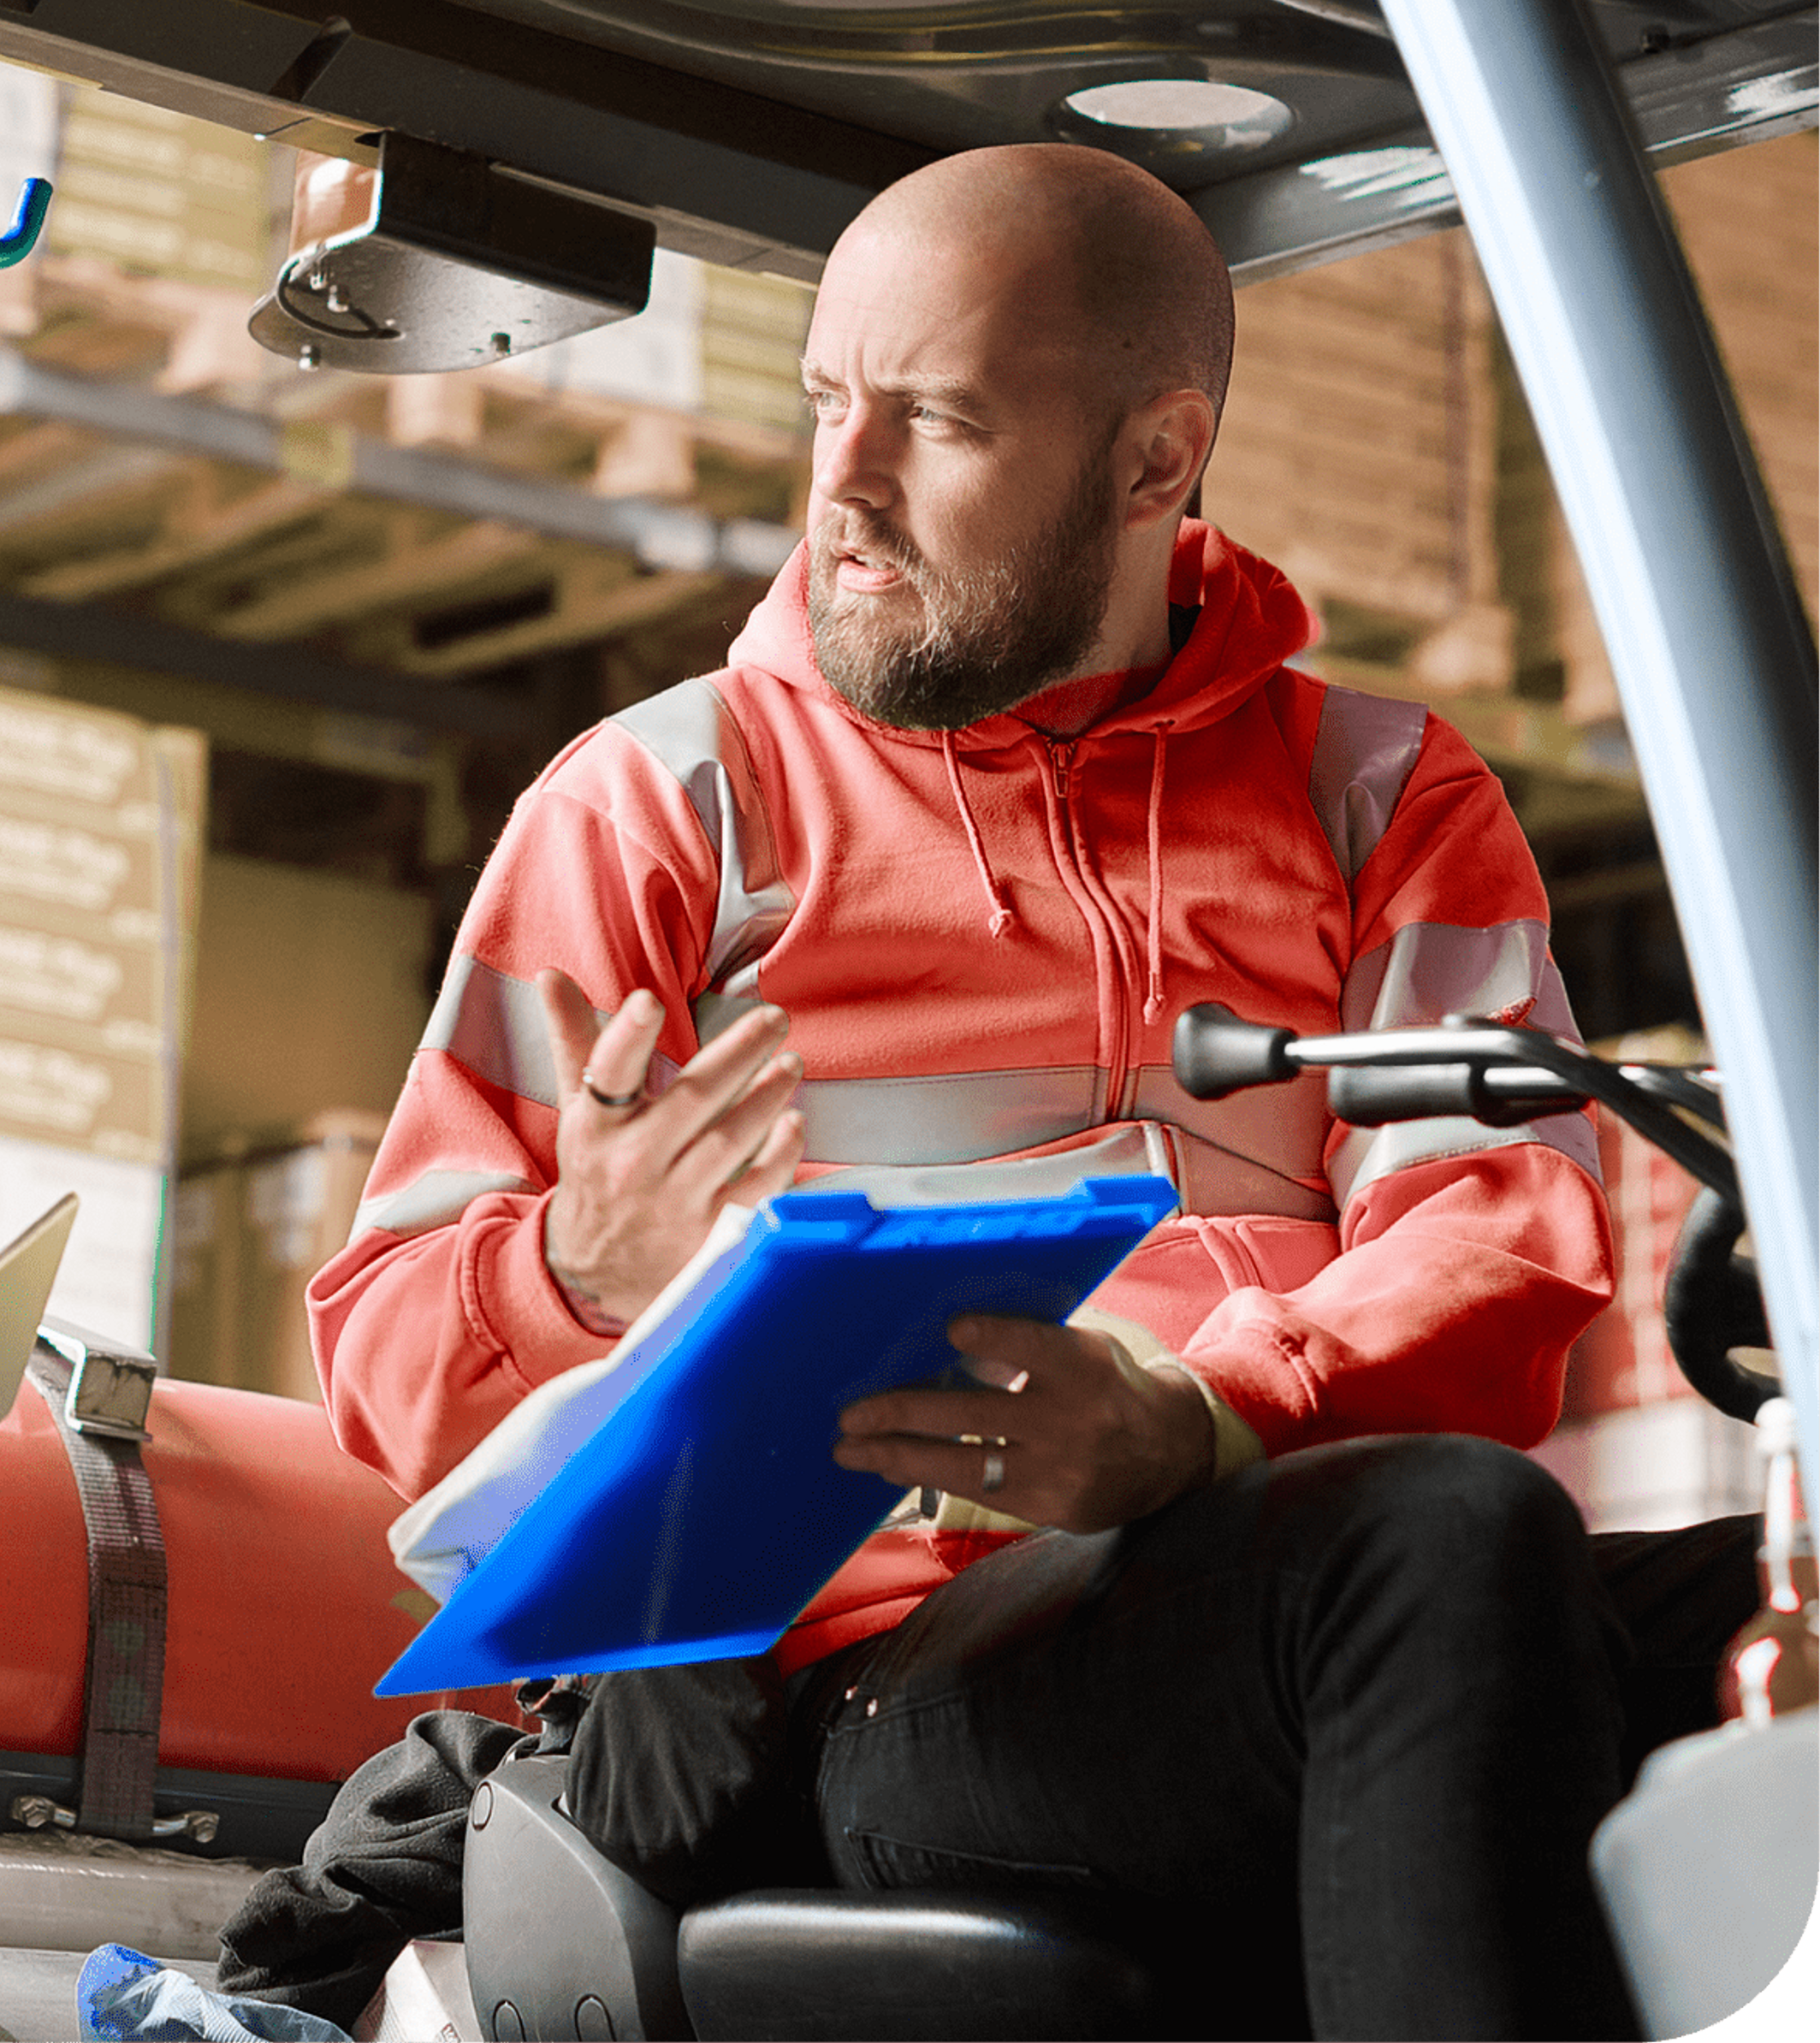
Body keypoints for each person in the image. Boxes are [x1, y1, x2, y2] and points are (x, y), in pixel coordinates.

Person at [304, 146, 1755, 2038]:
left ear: (1158, 461)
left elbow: (1498, 1248)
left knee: (1544, 1554)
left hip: (1260, 1550)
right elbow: (382, 1346)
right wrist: (572, 1260)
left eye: (939, 420)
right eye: (830, 403)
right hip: (871, 1673)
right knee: (1443, 1541)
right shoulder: (660, 805)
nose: (845, 482)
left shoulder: (1389, 796)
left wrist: (1199, 1417)